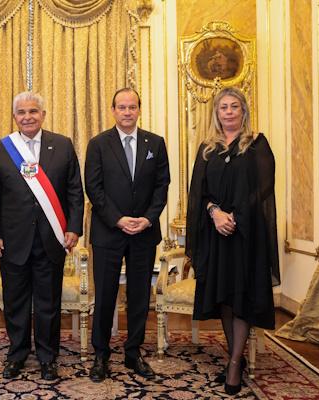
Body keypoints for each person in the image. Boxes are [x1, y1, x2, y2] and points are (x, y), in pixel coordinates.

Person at [0, 91, 84, 380]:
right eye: (22, 112)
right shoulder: (2, 148)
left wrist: (74, 227)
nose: (28, 117)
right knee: (15, 302)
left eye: (33, 111)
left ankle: (48, 357)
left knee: (48, 302)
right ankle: (17, 354)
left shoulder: (62, 145)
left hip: (51, 238)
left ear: (43, 115)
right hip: (12, 240)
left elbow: (75, 190)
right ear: (15, 116)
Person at [186, 87, 280, 395]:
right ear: (216, 113)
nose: (228, 111)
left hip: (245, 235)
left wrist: (235, 217)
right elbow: (198, 192)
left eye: (234, 106)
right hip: (216, 235)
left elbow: (263, 188)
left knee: (241, 297)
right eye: (223, 107)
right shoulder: (207, 149)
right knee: (225, 298)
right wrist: (215, 213)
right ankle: (233, 357)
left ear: (243, 111)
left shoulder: (257, 145)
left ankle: (236, 364)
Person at [85, 88, 170, 382]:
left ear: (139, 110)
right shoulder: (98, 144)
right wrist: (118, 219)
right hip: (108, 232)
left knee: (139, 296)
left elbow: (162, 185)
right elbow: (93, 188)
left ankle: (134, 352)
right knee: (105, 295)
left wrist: (147, 219)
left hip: (144, 233)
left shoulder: (155, 143)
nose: (127, 112)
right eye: (121, 107)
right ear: (113, 110)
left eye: (132, 107)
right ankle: (101, 354)